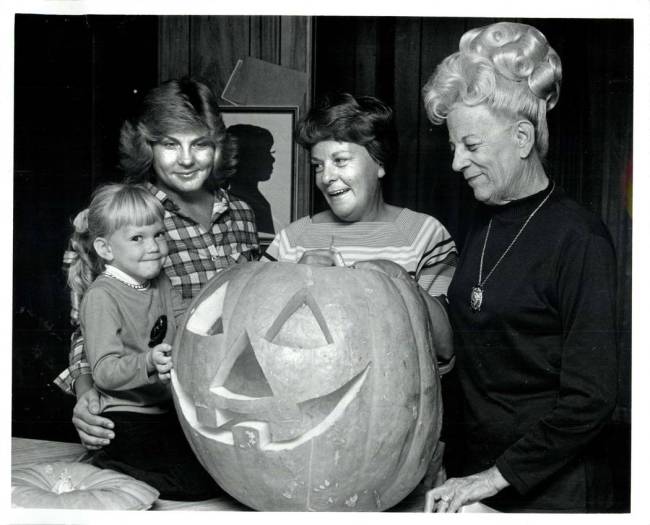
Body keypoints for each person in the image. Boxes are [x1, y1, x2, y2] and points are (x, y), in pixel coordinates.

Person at [420, 22, 617, 512]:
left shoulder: (580, 238)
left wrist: (491, 479)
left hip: (554, 491)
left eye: (471, 145)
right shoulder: (484, 223)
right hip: (480, 478)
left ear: (523, 137)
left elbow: (590, 400)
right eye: (453, 148)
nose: (456, 163)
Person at [55, 78, 260, 457]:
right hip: (155, 410)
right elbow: (86, 328)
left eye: (200, 143)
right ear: (146, 146)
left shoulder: (243, 215)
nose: (186, 159)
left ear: (217, 146)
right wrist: (85, 397)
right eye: (170, 143)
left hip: (233, 401)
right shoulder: (116, 221)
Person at [262, 92, 458, 489]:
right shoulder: (292, 240)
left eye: (340, 161)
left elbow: (445, 348)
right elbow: (259, 334)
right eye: (318, 165)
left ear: (380, 163)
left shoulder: (424, 234)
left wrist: (399, 282)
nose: (326, 177)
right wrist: (291, 279)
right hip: (303, 440)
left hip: (399, 439)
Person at [65, 183, 216, 499]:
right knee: (192, 485)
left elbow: (184, 321)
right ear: (106, 249)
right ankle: (108, 466)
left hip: (165, 408)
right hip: (124, 416)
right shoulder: (102, 297)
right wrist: (148, 362)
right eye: (138, 238)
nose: (154, 246)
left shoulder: (159, 280)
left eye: (159, 234)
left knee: (215, 469)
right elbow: (104, 371)